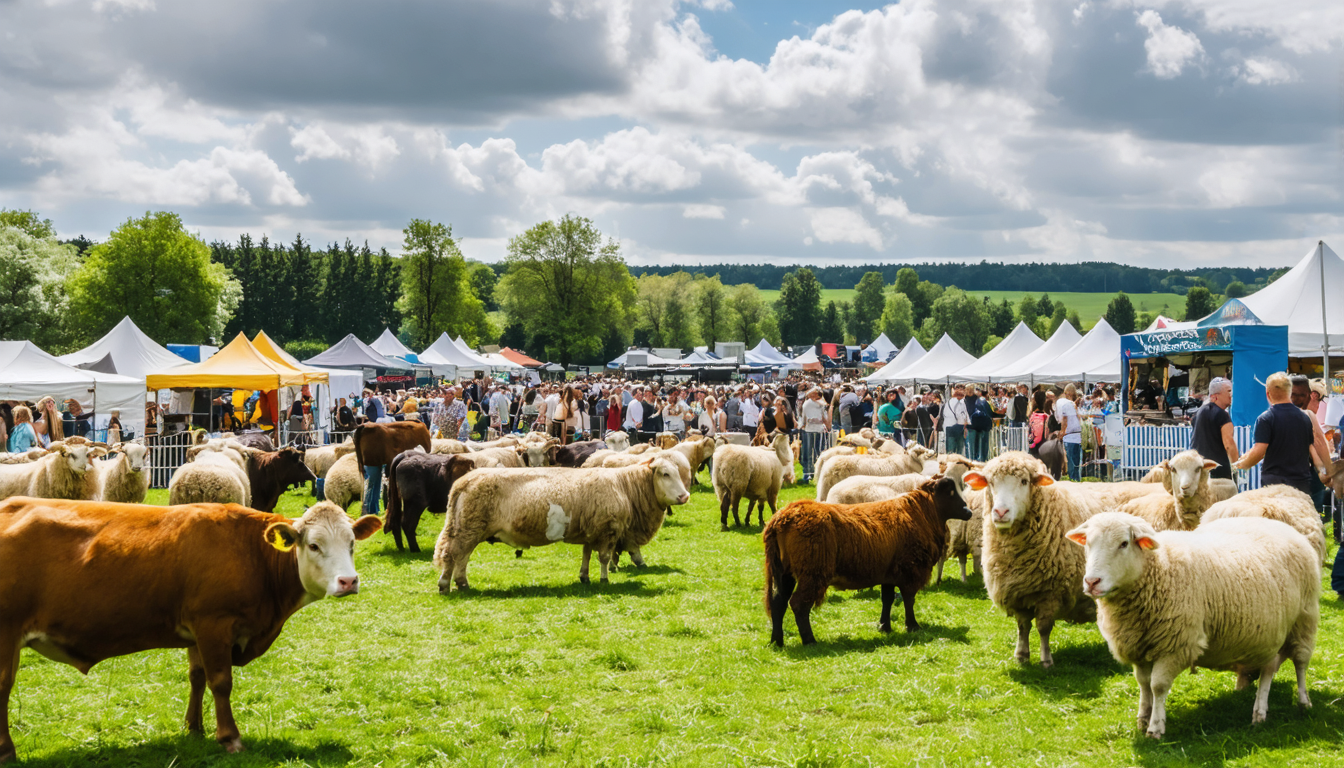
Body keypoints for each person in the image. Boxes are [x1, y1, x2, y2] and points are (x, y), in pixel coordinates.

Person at [1235, 373, 1324, 496]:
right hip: (1301, 483)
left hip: (1275, 485)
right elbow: (1310, 448)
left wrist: (1243, 464)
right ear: (1289, 392)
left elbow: (1259, 451)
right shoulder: (1304, 418)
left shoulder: (1266, 418)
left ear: (1268, 394)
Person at [1189, 377, 1238, 480]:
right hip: (1218, 471)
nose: (1231, 394)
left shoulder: (1198, 413)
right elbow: (1229, 444)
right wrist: (1235, 467)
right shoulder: (1222, 415)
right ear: (1215, 396)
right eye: (1228, 391)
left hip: (1197, 468)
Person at [799, 388, 831, 484]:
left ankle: (813, 472)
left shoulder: (819, 404)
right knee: (813, 451)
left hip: (816, 429)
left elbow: (823, 417)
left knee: (815, 452)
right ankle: (810, 472)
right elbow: (805, 417)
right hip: (812, 430)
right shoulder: (809, 404)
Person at [1053, 384, 1082, 480]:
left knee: (1070, 460)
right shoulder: (1073, 405)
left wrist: (1062, 432)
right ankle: (1076, 479)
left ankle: (1073, 479)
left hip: (1069, 436)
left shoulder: (1066, 404)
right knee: (1076, 461)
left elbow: (1065, 420)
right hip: (1077, 436)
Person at [942, 383, 970, 457]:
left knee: (951, 452)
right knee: (958, 452)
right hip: (957, 428)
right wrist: (966, 426)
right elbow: (962, 417)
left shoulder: (949, 402)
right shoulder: (959, 403)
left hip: (950, 428)